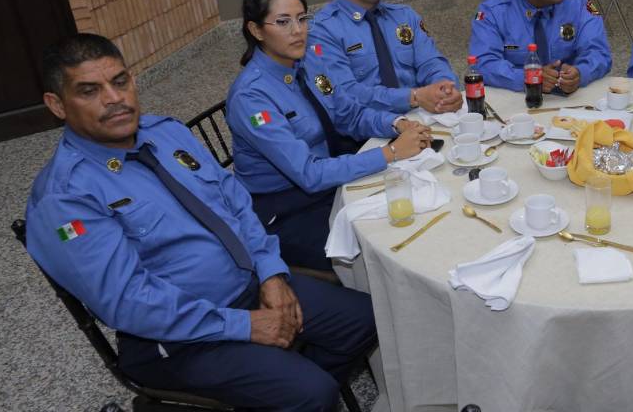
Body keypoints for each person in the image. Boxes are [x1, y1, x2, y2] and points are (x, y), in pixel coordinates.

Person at [26, 33, 378, 411]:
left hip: (250, 285)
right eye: (89, 91)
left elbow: (236, 205)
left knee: (367, 319)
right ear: (57, 104)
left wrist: (271, 273)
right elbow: (129, 303)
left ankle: (281, 390)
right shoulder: (65, 198)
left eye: (120, 81)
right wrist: (245, 326)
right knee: (313, 393)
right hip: (177, 338)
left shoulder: (166, 133)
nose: (114, 98)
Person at [227, 0, 431, 269]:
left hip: (329, 180)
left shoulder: (307, 62)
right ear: (256, 30)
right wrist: (392, 152)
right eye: (283, 22)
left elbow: (348, 114)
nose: (298, 31)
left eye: (302, 19)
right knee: (386, 249)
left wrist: (397, 123)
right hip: (287, 209)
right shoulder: (251, 98)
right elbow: (309, 173)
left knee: (415, 203)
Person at [308, 0, 462, 115]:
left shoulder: (404, 16)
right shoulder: (323, 29)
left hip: (423, 115)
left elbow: (430, 62)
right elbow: (346, 93)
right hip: (367, 126)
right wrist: (413, 97)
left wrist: (444, 87)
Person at [469, 0, 612, 93]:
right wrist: (528, 78)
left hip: (571, 96)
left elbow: (600, 52)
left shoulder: (580, 3)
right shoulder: (491, 12)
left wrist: (581, 72)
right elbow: (482, 64)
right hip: (518, 96)